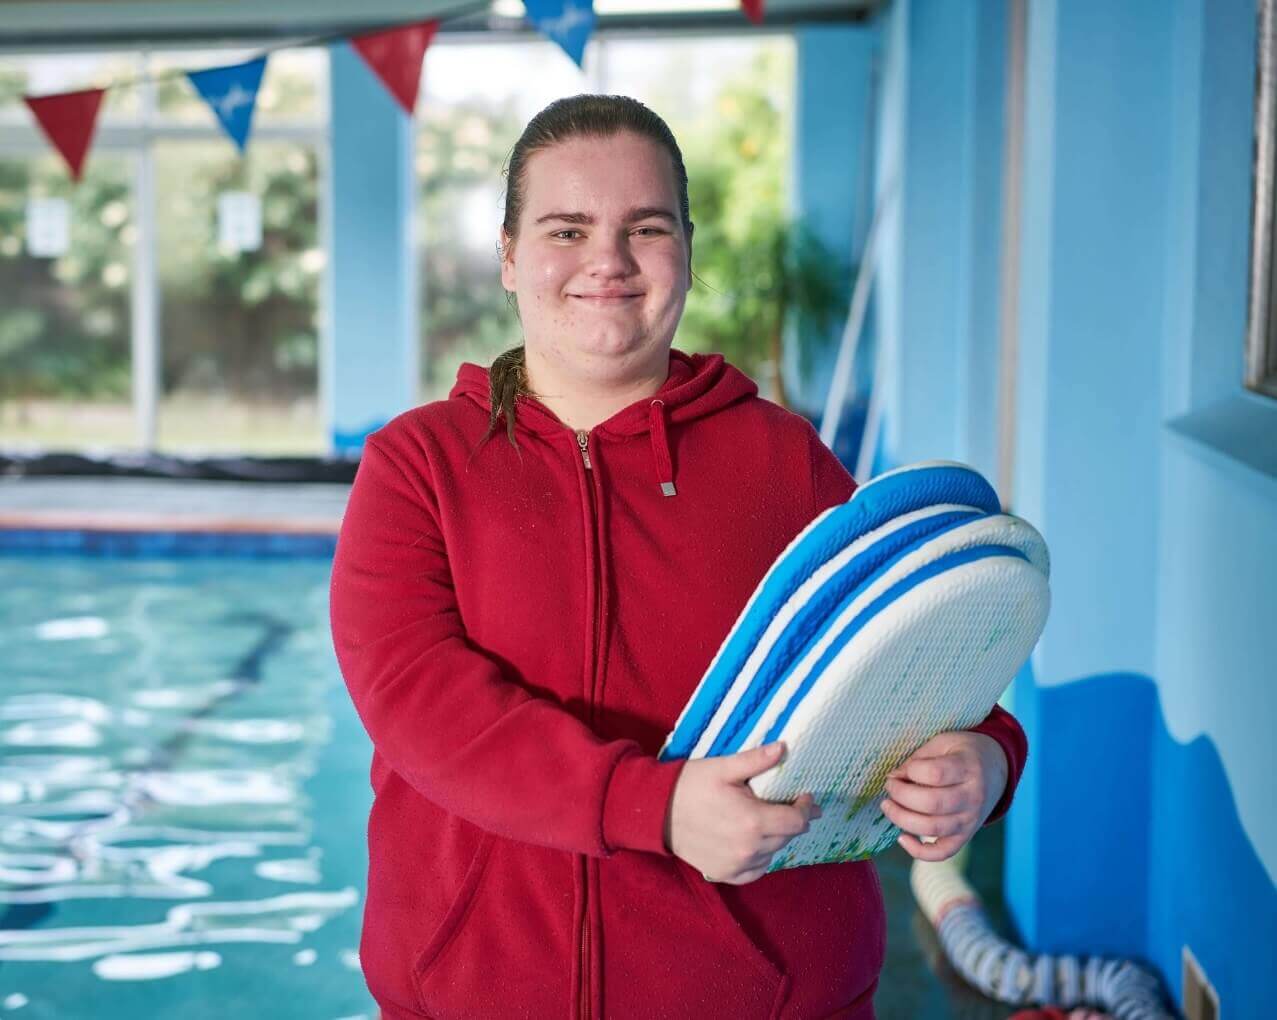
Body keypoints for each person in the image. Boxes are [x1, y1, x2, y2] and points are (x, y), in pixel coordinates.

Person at [329, 93, 1027, 1020]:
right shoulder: (419, 465)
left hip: (769, 991)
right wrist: (647, 806)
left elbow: (907, 673)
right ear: (508, 258)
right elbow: (421, 702)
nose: (607, 261)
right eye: (566, 230)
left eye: (644, 227)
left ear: (686, 252)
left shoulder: (783, 462)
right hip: (477, 990)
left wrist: (985, 761)